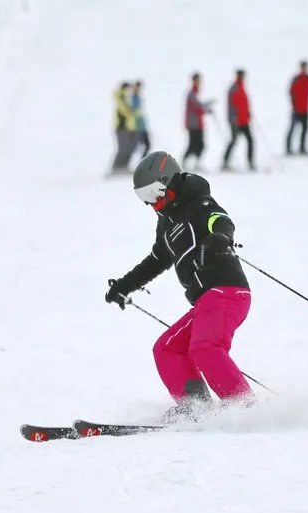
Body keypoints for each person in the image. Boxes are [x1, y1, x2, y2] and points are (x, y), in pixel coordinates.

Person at [104, 150, 253, 422]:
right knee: (167, 348)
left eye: (153, 193)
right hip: (206, 300)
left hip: (227, 291)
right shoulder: (166, 223)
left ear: (168, 181)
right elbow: (156, 260)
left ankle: (245, 408)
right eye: (144, 197)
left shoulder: (198, 202)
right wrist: (125, 285)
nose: (151, 203)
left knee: (205, 347)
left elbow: (220, 220)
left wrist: (220, 238)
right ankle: (197, 409)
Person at [222, 69, 255, 171]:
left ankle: (250, 162)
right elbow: (232, 105)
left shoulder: (241, 87)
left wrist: (248, 113)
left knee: (250, 140)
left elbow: (244, 103)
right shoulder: (234, 88)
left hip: (244, 121)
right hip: (236, 121)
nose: (243, 77)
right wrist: (233, 118)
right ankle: (225, 162)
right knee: (233, 140)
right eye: (241, 75)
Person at [184, 72, 214, 169]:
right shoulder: (192, 93)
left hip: (197, 124)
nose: (199, 82)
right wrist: (206, 110)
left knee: (199, 145)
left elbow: (198, 105)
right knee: (194, 144)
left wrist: (207, 104)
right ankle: (184, 162)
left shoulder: (195, 93)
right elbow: (196, 108)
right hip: (193, 124)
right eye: (197, 80)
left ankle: (195, 163)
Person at [111, 82, 137, 173]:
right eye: (129, 88)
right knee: (123, 149)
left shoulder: (126, 98)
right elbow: (126, 112)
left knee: (129, 148)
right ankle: (115, 168)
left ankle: (123, 166)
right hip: (122, 128)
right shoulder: (121, 97)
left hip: (128, 128)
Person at [131, 80, 150, 159]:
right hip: (136, 127)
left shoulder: (138, 97)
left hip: (142, 126)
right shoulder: (132, 98)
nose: (139, 89)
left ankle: (142, 161)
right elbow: (134, 113)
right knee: (137, 147)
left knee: (147, 145)